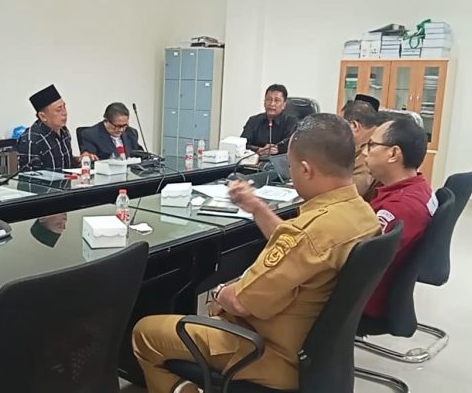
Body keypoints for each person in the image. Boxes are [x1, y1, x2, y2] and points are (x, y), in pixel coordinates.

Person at [132, 114, 380, 392]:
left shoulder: (308, 235)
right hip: (315, 355)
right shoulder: (362, 214)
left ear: (306, 170)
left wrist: (220, 291)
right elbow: (298, 246)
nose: (291, 174)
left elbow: (240, 303)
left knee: (145, 333)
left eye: (291, 167)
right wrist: (257, 207)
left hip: (268, 353)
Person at [362, 118, 436, 318]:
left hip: (361, 299)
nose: (364, 152)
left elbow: (358, 260)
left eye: (371, 145)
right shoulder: (417, 188)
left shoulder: (399, 208)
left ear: (394, 154)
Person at [18, 84, 93, 171]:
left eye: (64, 107)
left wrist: (82, 159)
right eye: (58, 109)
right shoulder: (31, 140)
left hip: (66, 179)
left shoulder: (64, 131)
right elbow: (29, 176)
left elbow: (66, 163)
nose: (64, 113)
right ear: (43, 116)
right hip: (48, 180)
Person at [240, 84, 297, 155]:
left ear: (284, 105)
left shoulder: (291, 122)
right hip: (256, 159)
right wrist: (259, 150)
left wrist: (277, 149)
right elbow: (242, 145)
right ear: (264, 102)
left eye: (277, 100)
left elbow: (291, 146)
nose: (272, 104)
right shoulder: (253, 121)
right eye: (269, 99)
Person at [79, 102, 143, 160]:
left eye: (124, 125)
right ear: (106, 120)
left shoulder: (131, 133)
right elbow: (89, 156)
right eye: (117, 126)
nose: (121, 130)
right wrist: (87, 156)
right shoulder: (91, 135)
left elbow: (139, 155)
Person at [342, 98, 379, 196]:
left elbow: (348, 195)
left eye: (342, 125)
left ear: (355, 126)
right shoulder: (371, 140)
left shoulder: (370, 152)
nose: (340, 131)